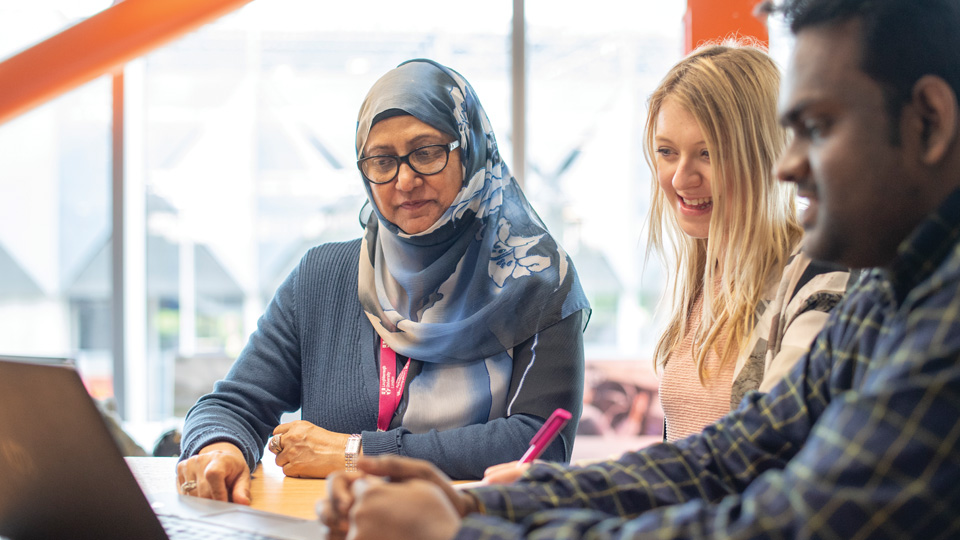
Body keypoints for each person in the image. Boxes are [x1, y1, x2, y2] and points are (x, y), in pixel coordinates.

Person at [318, 0, 960, 537]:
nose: (788, 168)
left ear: (929, 122)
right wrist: (481, 503)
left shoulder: (940, 321)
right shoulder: (888, 289)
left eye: (819, 127)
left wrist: (470, 528)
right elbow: (727, 455)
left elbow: (777, 521)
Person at [176, 58, 590, 503]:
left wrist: (357, 454)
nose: (405, 180)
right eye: (381, 160)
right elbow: (233, 404)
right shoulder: (323, 277)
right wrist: (221, 448)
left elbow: (539, 444)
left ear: (470, 149)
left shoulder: (539, 281)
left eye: (426, 152)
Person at [643, 43, 852, 441]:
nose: (681, 178)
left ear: (767, 155)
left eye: (708, 153)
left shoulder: (818, 278)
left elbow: (762, 447)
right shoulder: (705, 275)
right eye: (667, 152)